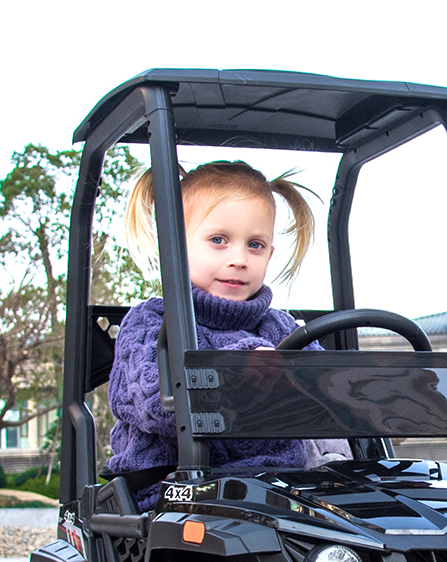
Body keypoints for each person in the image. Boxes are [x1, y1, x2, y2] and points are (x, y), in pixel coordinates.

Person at [107, 160, 351, 510]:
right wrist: (242, 370)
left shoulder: (282, 329)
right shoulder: (151, 323)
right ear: (175, 245)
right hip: (173, 490)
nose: (238, 258)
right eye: (219, 240)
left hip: (281, 491)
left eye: (255, 245)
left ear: (270, 253)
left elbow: (330, 396)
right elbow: (149, 401)